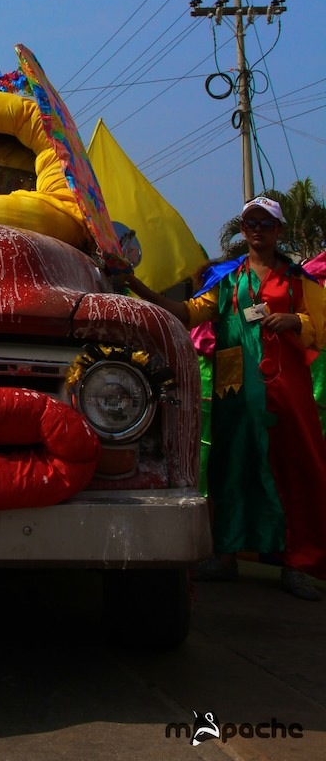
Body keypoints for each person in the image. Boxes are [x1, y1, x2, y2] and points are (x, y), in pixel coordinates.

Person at [125, 196, 326, 601]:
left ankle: (297, 564)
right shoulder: (228, 280)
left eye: (265, 224)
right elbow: (186, 312)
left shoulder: (297, 279)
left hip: (285, 389)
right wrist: (135, 285)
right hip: (234, 388)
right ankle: (226, 555)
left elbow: (321, 327)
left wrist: (296, 320)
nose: (257, 230)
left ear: (279, 230)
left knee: (293, 468)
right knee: (231, 467)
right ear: (243, 229)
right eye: (251, 223)